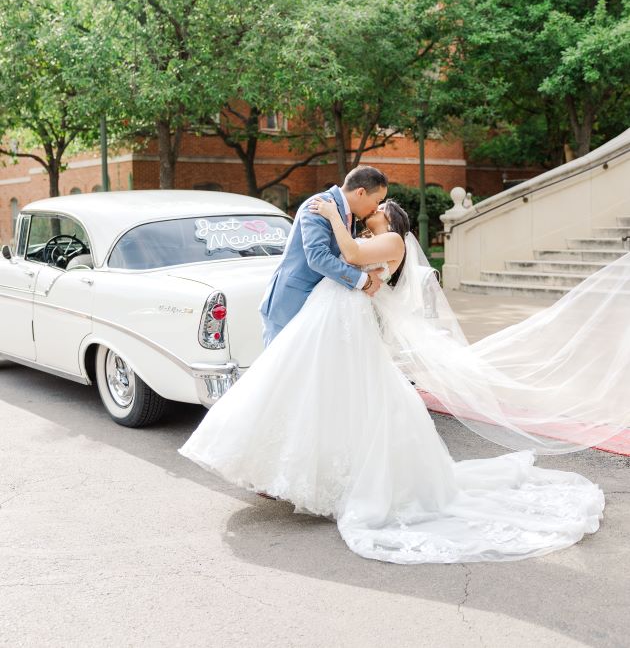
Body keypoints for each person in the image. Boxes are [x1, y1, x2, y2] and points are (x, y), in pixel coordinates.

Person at [179, 197, 609, 565]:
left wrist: (330, 215)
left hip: (345, 321)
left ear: (393, 220)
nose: (374, 211)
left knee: (354, 398)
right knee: (329, 396)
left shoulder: (390, 241)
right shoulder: (378, 239)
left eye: (380, 208)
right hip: (336, 319)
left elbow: (346, 253)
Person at [258, 166, 388, 347]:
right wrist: (364, 281)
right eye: (377, 200)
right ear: (360, 192)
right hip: (292, 302)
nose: (376, 208)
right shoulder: (319, 205)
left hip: (317, 306)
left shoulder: (345, 213)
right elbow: (317, 257)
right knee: (282, 368)